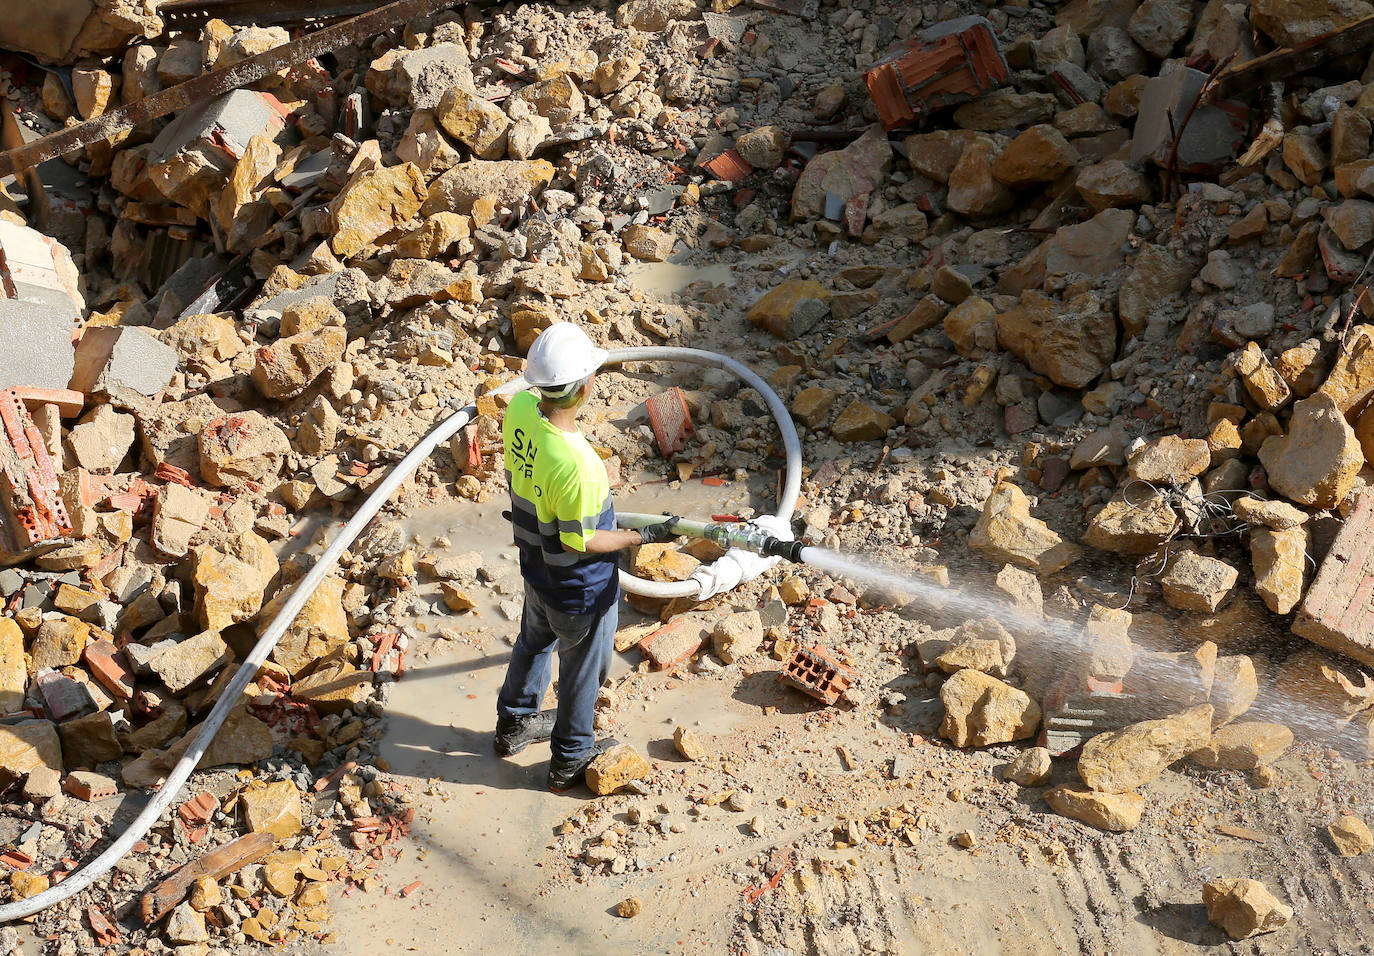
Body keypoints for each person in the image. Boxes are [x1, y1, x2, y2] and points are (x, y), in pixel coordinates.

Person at [493, 323, 678, 792]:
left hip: (534, 565)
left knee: (533, 640)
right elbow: (581, 541)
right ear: (586, 386)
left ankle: (514, 725)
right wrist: (637, 538)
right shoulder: (579, 465)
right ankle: (571, 758)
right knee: (580, 669)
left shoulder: (518, 409)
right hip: (579, 587)